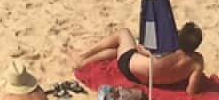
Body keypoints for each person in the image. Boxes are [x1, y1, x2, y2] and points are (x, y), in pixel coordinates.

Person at [72, 23, 206, 94]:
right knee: (118, 50)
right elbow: (191, 91)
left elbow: (142, 50)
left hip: (129, 68)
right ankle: (85, 61)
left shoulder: (168, 48)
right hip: (148, 79)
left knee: (123, 33)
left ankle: (85, 55)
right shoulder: (197, 63)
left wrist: (140, 46)